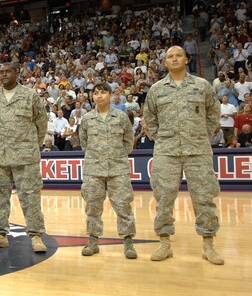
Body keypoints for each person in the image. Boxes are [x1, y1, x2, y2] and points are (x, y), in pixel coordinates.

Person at [144, 45, 224, 265]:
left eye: (179, 55)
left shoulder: (201, 86)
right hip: (166, 152)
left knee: (204, 197)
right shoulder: (157, 90)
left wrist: (202, 135)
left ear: (187, 59)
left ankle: (208, 245)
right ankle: (164, 243)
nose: (175, 58)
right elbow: (149, 118)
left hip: (197, 150)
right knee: (163, 198)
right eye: (170, 56)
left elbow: (213, 113)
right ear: (165, 62)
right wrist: (162, 138)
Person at [0, 62, 48, 252]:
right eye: (1, 72)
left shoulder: (30, 96)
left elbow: (41, 123)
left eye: (7, 71)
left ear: (17, 74)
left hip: (25, 156)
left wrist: (31, 146)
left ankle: (36, 236)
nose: (3, 75)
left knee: (30, 197)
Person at [78, 83, 137, 259]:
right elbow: (84, 143)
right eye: (95, 93)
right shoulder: (87, 119)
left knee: (123, 205)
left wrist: (117, 156)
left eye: (103, 92)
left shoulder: (121, 117)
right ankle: (93, 241)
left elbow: (128, 141)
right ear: (92, 97)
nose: (99, 96)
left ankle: (128, 242)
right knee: (93, 206)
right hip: (93, 169)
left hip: (117, 169)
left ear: (110, 95)